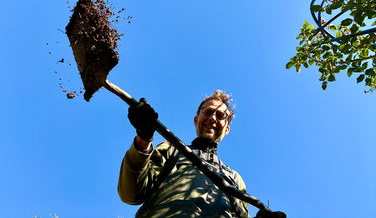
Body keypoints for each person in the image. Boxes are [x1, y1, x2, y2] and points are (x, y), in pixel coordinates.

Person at [118, 90, 286, 218]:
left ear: (226, 129)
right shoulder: (172, 149)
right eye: (208, 112)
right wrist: (143, 138)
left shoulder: (235, 179)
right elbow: (130, 194)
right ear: (196, 120)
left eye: (220, 116)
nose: (213, 118)